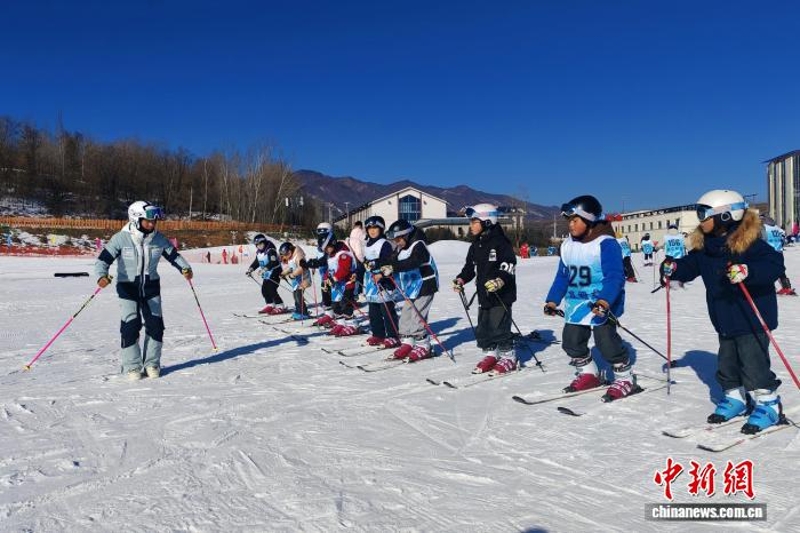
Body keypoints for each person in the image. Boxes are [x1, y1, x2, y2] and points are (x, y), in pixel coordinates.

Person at [660, 190, 786, 434]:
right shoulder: (706, 247)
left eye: (703, 214)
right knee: (727, 362)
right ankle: (735, 397)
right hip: (724, 317)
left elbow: (773, 265)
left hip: (751, 316)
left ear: (726, 215)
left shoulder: (751, 244)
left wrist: (748, 271)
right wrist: (674, 268)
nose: (700, 220)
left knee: (753, 363)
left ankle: (768, 404)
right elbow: (690, 265)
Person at [543, 195, 635, 401]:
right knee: (571, 341)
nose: (571, 225)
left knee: (606, 342)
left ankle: (625, 378)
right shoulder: (567, 245)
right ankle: (589, 374)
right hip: (577, 303)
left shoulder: (605, 244)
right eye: (569, 220)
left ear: (589, 220)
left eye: (575, 220)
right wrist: (552, 300)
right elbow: (563, 276)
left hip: (602, 303)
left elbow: (615, 276)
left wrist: (604, 301)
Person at [95, 201, 193, 380]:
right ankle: (132, 366)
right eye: (148, 221)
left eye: (154, 221)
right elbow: (103, 260)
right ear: (135, 219)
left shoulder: (159, 239)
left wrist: (185, 268)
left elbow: (174, 256)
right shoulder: (120, 238)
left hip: (151, 287)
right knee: (130, 325)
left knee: (156, 326)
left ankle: (152, 363)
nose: (152, 224)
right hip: (127, 287)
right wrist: (101, 276)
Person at [453, 204, 518, 374]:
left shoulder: (501, 242)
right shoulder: (476, 244)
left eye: (474, 222)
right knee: (483, 328)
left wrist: (499, 280)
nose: (471, 226)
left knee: (499, 327)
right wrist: (461, 279)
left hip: (501, 294)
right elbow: (469, 268)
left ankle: (508, 356)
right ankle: (491, 353)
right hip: (484, 294)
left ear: (487, 221)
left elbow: (509, 265)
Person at [370, 220, 439, 361]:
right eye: (395, 240)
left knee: (417, 317)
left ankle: (424, 346)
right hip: (411, 287)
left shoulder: (418, 245)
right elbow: (390, 261)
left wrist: (392, 268)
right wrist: (378, 267)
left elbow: (413, 262)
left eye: (398, 239)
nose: (397, 243)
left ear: (406, 235)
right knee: (405, 316)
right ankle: (408, 342)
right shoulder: (400, 247)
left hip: (425, 285)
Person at [303, 229, 360, 335]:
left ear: (333, 243)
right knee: (335, 305)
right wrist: (326, 278)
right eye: (324, 249)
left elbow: (344, 269)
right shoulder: (330, 254)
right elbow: (330, 269)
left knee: (345, 304)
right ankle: (341, 323)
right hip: (337, 285)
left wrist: (333, 278)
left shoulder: (343, 253)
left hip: (348, 283)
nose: (326, 251)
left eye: (327, 248)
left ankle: (353, 325)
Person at [361, 216, 400, 348]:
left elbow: (388, 260)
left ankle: (393, 335)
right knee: (373, 311)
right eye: (369, 228)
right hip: (371, 282)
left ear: (381, 229)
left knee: (387, 310)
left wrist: (375, 264)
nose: (372, 231)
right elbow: (365, 261)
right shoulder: (367, 244)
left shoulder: (384, 243)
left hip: (384, 281)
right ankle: (378, 334)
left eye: (375, 228)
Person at [245, 233, 286, 314]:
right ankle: (270, 305)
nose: (259, 246)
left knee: (271, 290)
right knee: (264, 290)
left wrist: (265, 269)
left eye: (260, 244)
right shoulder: (259, 252)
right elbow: (257, 262)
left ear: (264, 242)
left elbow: (273, 262)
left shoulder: (270, 250)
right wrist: (251, 269)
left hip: (275, 272)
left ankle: (280, 306)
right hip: (267, 274)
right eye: (257, 245)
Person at [760, 215, 796, 296]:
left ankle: (769, 287)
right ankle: (786, 287)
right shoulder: (776, 227)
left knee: (766, 270)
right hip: (779, 251)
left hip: (768, 251)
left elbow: (762, 239)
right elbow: (783, 239)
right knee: (780, 270)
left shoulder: (763, 227)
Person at [278, 242, 312, 320]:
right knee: (295, 295)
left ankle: (303, 313)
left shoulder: (298, 256)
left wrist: (292, 275)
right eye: (284, 255)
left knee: (298, 295)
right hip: (297, 280)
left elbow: (301, 268)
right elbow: (291, 267)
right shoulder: (291, 257)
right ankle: (298, 311)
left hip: (304, 279)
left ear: (290, 252)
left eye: (286, 254)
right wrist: (283, 273)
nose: (285, 257)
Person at [348, 220, 366, 297]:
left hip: (351, 258)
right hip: (359, 259)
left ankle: (353, 293)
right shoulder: (361, 234)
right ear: (360, 226)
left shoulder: (351, 235)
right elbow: (359, 250)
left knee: (353, 276)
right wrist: (362, 260)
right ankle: (359, 292)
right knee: (360, 276)